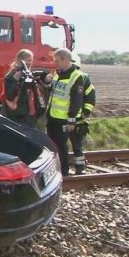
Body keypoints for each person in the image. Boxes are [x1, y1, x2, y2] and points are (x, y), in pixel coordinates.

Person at [44, 48, 85, 176]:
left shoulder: (77, 76)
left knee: (61, 146)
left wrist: (71, 119)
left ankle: (63, 171)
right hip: (52, 117)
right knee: (52, 145)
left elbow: (76, 100)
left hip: (64, 118)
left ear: (66, 59)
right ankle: (55, 169)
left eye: (57, 61)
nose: (55, 64)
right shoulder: (58, 73)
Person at [2, 49, 45, 127]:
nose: (30, 63)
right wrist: (16, 81)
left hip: (30, 115)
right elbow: (9, 95)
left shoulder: (29, 74)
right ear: (20, 61)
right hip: (18, 116)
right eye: (28, 60)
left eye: (31, 60)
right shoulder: (11, 76)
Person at [69, 53, 96, 175]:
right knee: (64, 145)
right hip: (63, 118)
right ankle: (70, 167)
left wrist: (86, 113)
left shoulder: (83, 78)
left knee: (77, 144)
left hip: (78, 119)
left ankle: (80, 168)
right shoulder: (60, 75)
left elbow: (90, 97)